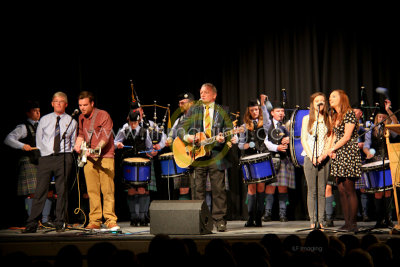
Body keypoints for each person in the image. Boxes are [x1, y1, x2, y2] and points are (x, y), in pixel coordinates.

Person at [178, 83, 236, 232]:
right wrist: (190, 138)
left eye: (206, 92)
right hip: (197, 155)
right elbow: (180, 130)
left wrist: (225, 138)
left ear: (214, 95)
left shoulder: (223, 110)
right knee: (198, 190)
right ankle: (200, 220)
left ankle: (219, 220)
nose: (202, 95)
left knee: (218, 189)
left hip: (216, 154)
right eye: (201, 92)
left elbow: (229, 130)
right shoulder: (194, 110)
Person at [22, 92, 77, 233]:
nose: (58, 103)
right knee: (40, 190)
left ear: (66, 104)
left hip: (64, 157)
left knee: (61, 191)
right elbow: (39, 140)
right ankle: (32, 223)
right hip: (46, 157)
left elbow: (72, 142)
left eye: (61, 101)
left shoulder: (71, 121)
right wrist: (48, 153)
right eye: (56, 101)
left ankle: (60, 222)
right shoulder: (45, 120)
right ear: (52, 103)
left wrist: (66, 154)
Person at [4, 100, 55, 227]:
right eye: (34, 110)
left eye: (38, 110)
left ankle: (45, 219)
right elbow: (8, 139)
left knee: (48, 190)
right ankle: (32, 220)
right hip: (29, 162)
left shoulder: (43, 126)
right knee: (32, 192)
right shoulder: (23, 127)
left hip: (43, 161)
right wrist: (22, 146)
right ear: (28, 113)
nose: (38, 113)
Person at [74, 91, 119, 230]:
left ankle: (110, 220)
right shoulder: (81, 117)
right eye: (80, 105)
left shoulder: (103, 115)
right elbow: (81, 134)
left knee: (107, 190)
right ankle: (94, 220)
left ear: (92, 103)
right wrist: (78, 145)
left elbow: (105, 137)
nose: (82, 108)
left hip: (105, 157)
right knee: (92, 191)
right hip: (89, 158)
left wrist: (95, 149)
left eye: (85, 105)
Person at [328, 89, 362, 232]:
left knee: (349, 189)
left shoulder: (349, 114)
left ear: (342, 98)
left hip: (349, 153)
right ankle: (346, 222)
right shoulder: (335, 116)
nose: (331, 99)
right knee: (341, 189)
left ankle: (353, 224)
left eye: (334, 96)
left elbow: (347, 136)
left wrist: (333, 148)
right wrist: (331, 150)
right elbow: (335, 136)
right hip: (338, 154)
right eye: (330, 97)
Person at [363, 100, 398, 228]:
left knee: (388, 191)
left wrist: (389, 110)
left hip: (388, 160)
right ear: (376, 118)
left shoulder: (389, 129)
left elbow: (396, 123)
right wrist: (367, 152)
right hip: (375, 161)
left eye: (384, 117)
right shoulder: (370, 128)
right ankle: (379, 220)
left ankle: (388, 219)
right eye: (380, 117)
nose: (382, 118)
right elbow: (366, 145)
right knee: (378, 192)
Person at [115, 109, 153, 226]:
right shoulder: (124, 130)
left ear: (139, 121)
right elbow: (115, 142)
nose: (133, 125)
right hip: (128, 164)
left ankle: (142, 217)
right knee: (131, 190)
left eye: (135, 123)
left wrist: (150, 152)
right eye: (131, 123)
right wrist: (118, 144)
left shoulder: (144, 131)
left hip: (141, 164)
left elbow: (149, 146)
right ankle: (133, 217)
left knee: (142, 189)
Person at [238, 95, 271, 227]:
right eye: (252, 110)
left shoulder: (265, 124)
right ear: (249, 111)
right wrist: (246, 145)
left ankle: (259, 217)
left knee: (261, 187)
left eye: (257, 110)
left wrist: (263, 104)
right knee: (251, 188)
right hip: (250, 159)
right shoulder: (244, 126)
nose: (255, 112)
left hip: (262, 157)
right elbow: (240, 145)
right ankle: (250, 217)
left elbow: (268, 121)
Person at [301, 92, 332, 229]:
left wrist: (323, 155)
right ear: (313, 104)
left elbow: (329, 139)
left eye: (322, 101)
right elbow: (303, 139)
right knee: (312, 191)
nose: (320, 103)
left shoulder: (328, 118)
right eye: (317, 101)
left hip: (324, 158)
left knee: (322, 190)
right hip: (310, 158)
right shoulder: (307, 119)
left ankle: (321, 220)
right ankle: (313, 220)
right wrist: (312, 156)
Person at [263, 104, 295, 222]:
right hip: (271, 158)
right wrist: (277, 148)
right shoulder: (267, 125)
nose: (281, 113)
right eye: (278, 111)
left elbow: (297, 137)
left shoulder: (287, 124)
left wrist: (289, 138)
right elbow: (265, 141)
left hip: (284, 159)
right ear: (272, 113)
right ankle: (267, 213)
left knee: (283, 187)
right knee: (270, 186)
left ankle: (283, 214)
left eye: (282, 111)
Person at [166, 92, 195, 200]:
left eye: (183, 103)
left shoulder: (198, 118)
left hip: (197, 156)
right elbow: (171, 133)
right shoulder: (178, 120)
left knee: (202, 188)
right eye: (179, 103)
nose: (180, 105)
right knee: (183, 188)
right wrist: (169, 139)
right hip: (182, 157)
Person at [353, 105, 371, 222]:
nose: (354, 114)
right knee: (351, 189)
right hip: (350, 160)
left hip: (362, 159)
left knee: (363, 188)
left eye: (356, 112)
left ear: (361, 113)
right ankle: (355, 214)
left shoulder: (365, 127)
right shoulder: (348, 125)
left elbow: (369, 142)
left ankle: (365, 213)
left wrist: (363, 145)